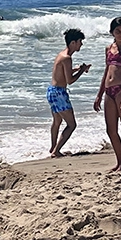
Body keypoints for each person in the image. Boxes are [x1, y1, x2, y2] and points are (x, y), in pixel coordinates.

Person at [94, 16, 121, 171]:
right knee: (111, 129)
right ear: (112, 32)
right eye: (118, 31)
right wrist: (99, 94)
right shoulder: (109, 48)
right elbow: (107, 72)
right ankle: (119, 161)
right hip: (108, 91)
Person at [47, 28, 90, 157]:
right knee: (71, 125)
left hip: (52, 91)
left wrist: (77, 68)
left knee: (57, 122)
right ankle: (56, 151)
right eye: (79, 41)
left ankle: (53, 148)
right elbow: (70, 80)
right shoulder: (67, 58)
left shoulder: (62, 55)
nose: (81, 44)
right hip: (60, 93)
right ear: (73, 43)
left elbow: (63, 73)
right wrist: (81, 71)